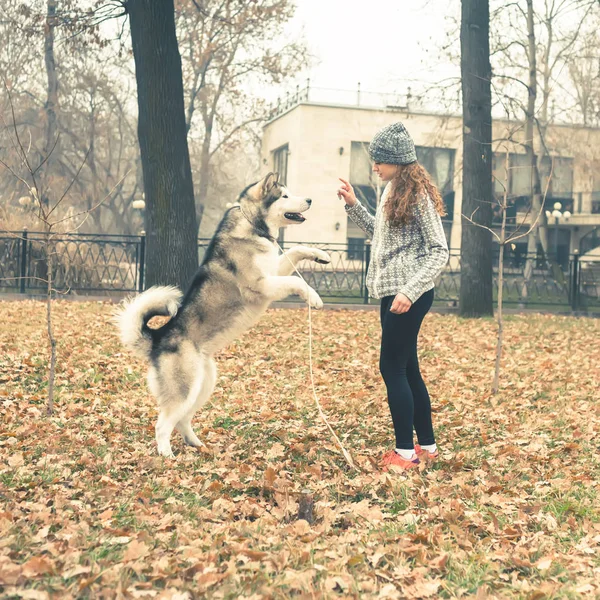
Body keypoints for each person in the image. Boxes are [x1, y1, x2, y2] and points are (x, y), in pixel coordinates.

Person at [337, 122, 449, 471]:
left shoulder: (418, 197)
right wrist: (355, 205)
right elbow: (381, 235)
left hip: (409, 295)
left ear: (398, 160)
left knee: (391, 367)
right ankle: (426, 446)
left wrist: (409, 291)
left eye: (380, 160)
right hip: (393, 293)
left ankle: (405, 455)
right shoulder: (393, 191)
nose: (375, 166)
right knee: (407, 368)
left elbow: (439, 251)